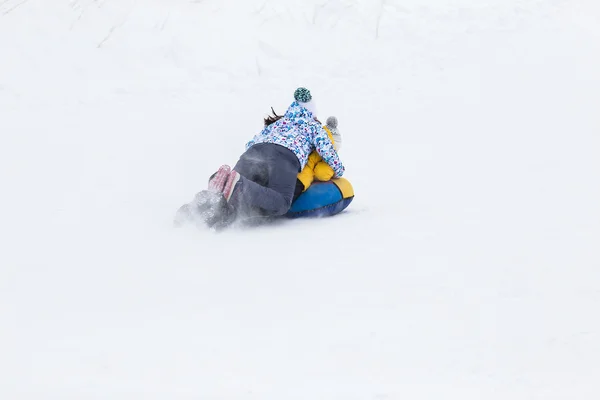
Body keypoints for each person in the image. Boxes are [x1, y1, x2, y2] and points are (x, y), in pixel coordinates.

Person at [175, 87, 345, 229]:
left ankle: (194, 208)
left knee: (229, 200)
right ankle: (239, 184)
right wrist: (338, 170)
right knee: (281, 203)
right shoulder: (313, 126)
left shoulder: (280, 122)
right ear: (313, 113)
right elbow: (327, 150)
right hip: (284, 157)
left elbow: (252, 141)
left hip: (253, 153)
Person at [294, 116, 342, 201]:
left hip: (308, 167)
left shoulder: (325, 154)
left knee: (301, 179)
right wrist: (338, 172)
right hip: (307, 167)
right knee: (301, 179)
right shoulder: (324, 147)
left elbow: (322, 172)